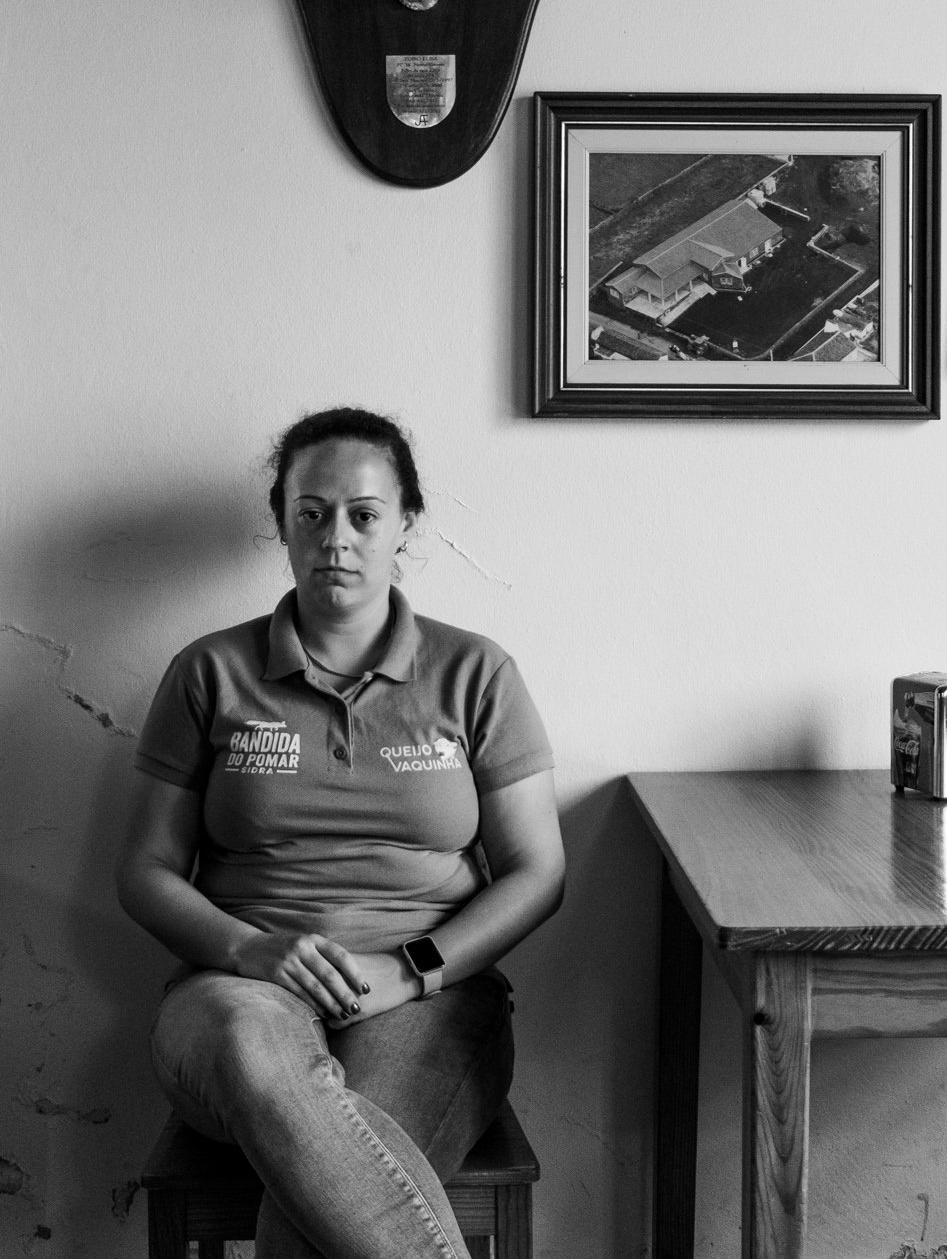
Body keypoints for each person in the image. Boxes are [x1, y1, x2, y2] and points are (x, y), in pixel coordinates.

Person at [117, 407, 565, 1259]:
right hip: (235, 992)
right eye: (311, 513)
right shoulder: (209, 672)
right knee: (262, 1058)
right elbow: (144, 870)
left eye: (364, 515)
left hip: (430, 999)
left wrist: (412, 971)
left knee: (326, 1190)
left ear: (405, 526)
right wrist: (251, 951)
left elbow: (537, 871)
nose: (337, 538)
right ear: (281, 522)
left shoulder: (476, 674)